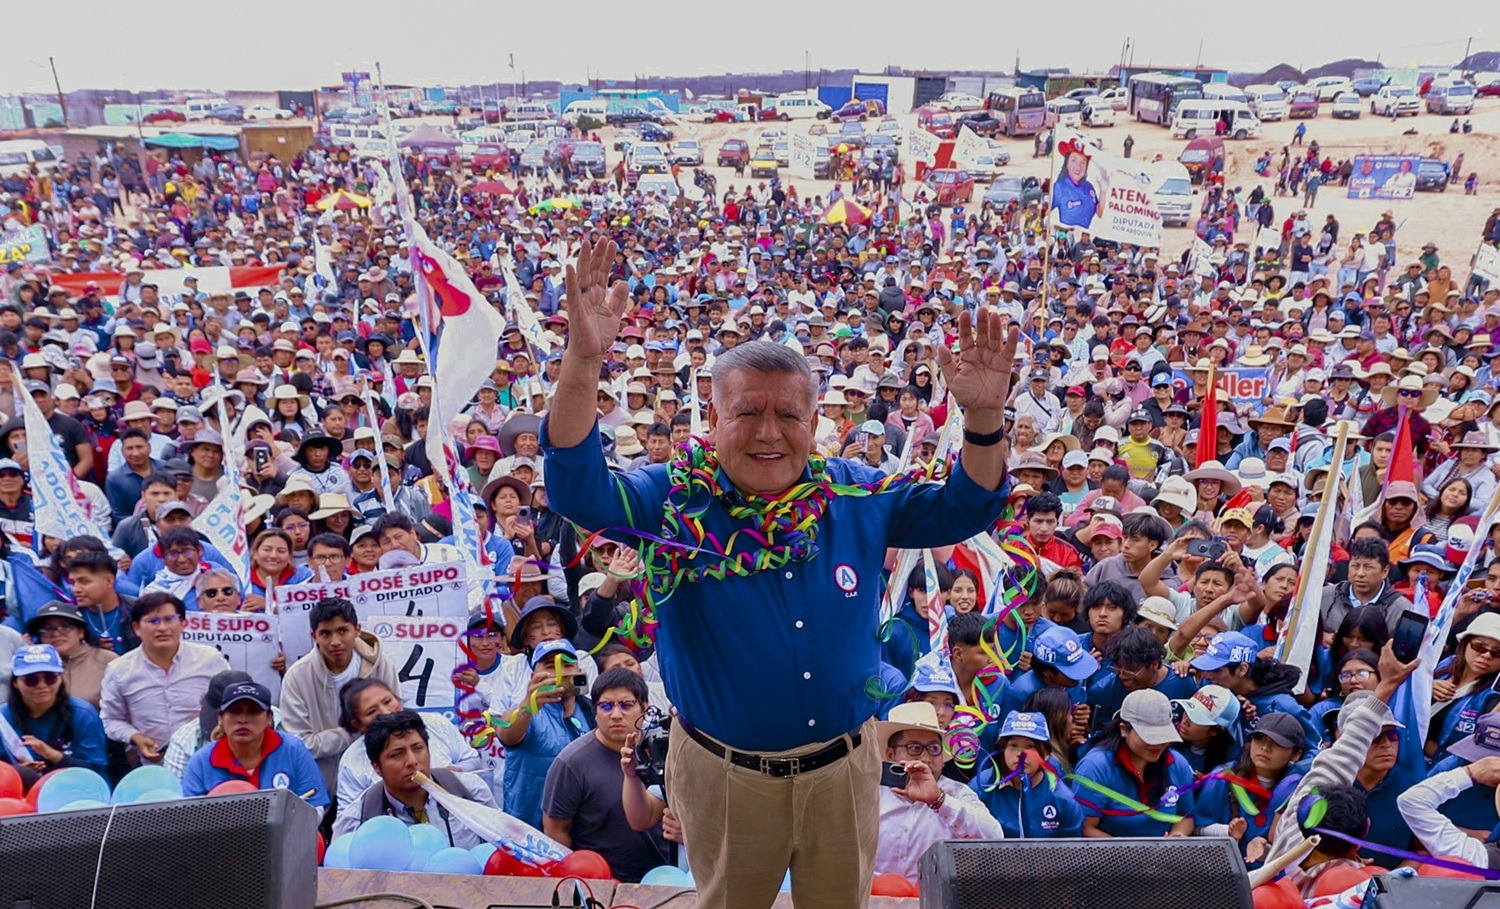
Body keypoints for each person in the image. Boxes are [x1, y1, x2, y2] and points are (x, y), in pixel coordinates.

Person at [541, 239, 1015, 906]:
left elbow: (965, 504)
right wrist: (584, 362)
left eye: (788, 414)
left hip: (844, 771)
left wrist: (986, 418)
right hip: (725, 776)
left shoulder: (856, 496)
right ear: (713, 417)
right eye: (748, 412)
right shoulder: (674, 501)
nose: (769, 431)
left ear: (815, 420)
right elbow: (575, 488)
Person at [542, 668, 670, 883]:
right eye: (606, 706)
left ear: (644, 708)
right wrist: (587, 880)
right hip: (602, 883)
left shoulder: (661, 751)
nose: (616, 715)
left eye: (626, 705)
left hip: (664, 878)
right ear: (595, 712)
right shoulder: (571, 763)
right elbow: (555, 831)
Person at [279, 597, 401, 801]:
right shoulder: (296, 677)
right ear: (314, 636)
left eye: (342, 631)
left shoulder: (381, 665)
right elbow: (300, 744)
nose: (335, 641)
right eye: (325, 633)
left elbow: (397, 717)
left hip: (377, 781)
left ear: (357, 630)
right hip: (322, 785)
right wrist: (353, 733)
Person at [872, 701, 1003, 882]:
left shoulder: (957, 793)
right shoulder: (869, 792)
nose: (925, 758)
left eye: (933, 749)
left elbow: (994, 837)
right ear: (890, 754)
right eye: (914, 748)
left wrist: (940, 801)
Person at [331, 709, 501, 846]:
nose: (412, 761)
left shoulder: (469, 790)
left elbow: (505, 846)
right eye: (397, 754)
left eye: (418, 748)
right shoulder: (357, 820)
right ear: (377, 767)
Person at [99, 592, 230, 765]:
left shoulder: (210, 659)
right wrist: (135, 737)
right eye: (153, 621)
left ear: (183, 623)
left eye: (169, 619)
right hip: (153, 764)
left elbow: (230, 705)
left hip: (208, 759)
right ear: (136, 628)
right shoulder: (119, 670)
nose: (162, 628)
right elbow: (111, 719)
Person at [181, 680, 328, 806]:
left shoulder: (293, 750)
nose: (243, 719)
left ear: (269, 718)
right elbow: (190, 820)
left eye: (252, 711)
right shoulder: (201, 761)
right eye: (234, 711)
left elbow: (315, 806)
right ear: (220, 718)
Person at [1073, 689, 1196, 837]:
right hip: (1107, 858)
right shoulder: (1095, 767)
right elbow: (1084, 828)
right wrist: (1134, 854)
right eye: (1149, 737)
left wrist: (1176, 836)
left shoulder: (1177, 764)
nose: (1157, 744)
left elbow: (1185, 816)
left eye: (1163, 736)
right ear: (1124, 730)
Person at [970, 710, 1085, 838]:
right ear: (1002, 750)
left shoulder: (1062, 799)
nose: (1021, 754)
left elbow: (1071, 851)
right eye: (1013, 746)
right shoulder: (981, 786)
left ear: (1046, 754)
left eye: (1030, 747)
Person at [3, 643, 109, 777]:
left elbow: (95, 771)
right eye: (31, 680)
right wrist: (18, 772)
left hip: (77, 788)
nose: (41, 685)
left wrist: (53, 755)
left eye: (50, 678)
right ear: (15, 683)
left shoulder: (84, 714)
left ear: (60, 679)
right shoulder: (3, 718)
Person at [1051, 139, 1103, 229]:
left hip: (1086, 236)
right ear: (1066, 163)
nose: (1078, 167)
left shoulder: (1089, 187)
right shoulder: (1059, 187)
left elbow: (1099, 213)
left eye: (1083, 162)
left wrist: (1104, 191)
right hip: (1066, 237)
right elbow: (1047, 213)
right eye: (1074, 160)